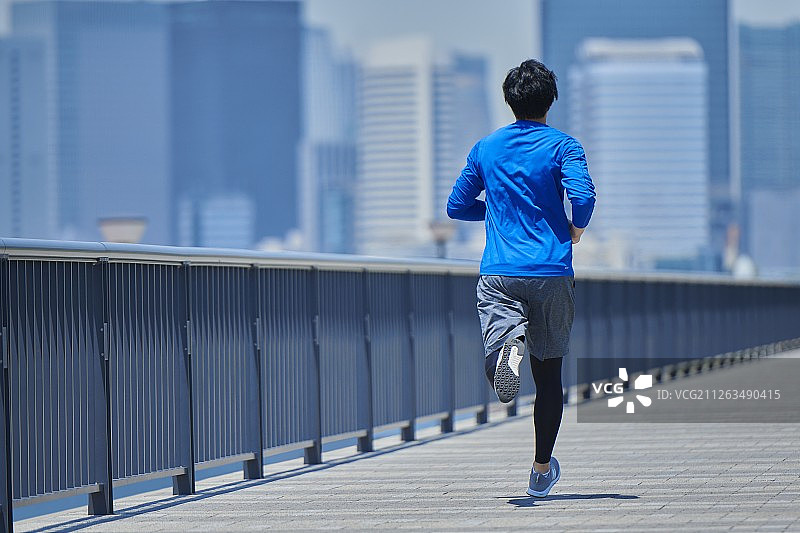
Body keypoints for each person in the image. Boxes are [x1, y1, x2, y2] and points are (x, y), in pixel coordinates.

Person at [446, 59, 596, 498]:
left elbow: (456, 206)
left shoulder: (486, 148)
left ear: (509, 100)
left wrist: (497, 211)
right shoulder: (564, 146)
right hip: (551, 272)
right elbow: (583, 197)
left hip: (500, 273)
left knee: (499, 348)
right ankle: (540, 471)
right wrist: (575, 228)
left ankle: (505, 351)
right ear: (551, 101)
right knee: (548, 378)